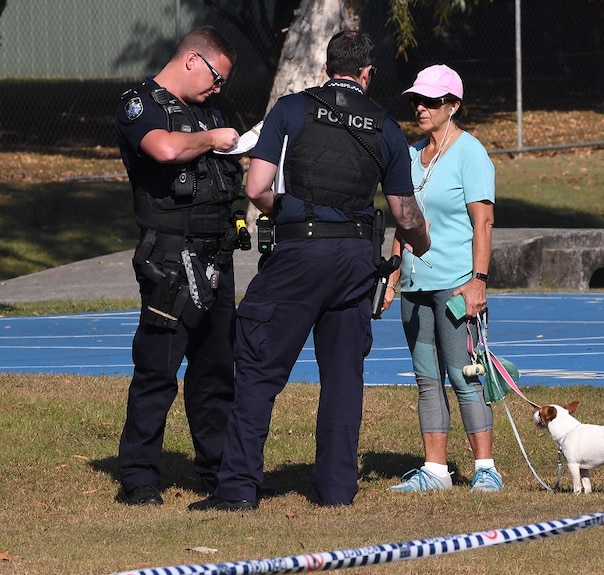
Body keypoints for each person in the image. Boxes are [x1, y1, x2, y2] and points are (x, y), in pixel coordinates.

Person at [188, 30, 431, 511]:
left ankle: (237, 489)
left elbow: (257, 188)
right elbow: (405, 214)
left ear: (327, 67)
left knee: (258, 370)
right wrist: (420, 242)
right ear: (367, 73)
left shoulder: (293, 108)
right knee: (343, 377)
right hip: (357, 261)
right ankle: (338, 490)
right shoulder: (385, 127)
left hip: (299, 255)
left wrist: (291, 209)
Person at [114, 26, 247, 506]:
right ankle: (139, 478)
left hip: (216, 254)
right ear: (192, 59)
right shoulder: (140, 103)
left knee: (216, 370)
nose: (218, 89)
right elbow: (164, 149)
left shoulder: (207, 111)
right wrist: (213, 138)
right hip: (169, 257)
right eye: (215, 77)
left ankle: (218, 473)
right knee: (158, 368)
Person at [382, 64, 501, 493]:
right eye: (417, 99)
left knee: (464, 374)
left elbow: (483, 221)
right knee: (426, 378)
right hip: (415, 285)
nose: (421, 107)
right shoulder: (411, 155)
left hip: (456, 284)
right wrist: (392, 279)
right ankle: (434, 471)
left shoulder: (471, 152)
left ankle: (485, 468)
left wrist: (478, 281)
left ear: (454, 106)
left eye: (432, 101)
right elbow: (404, 221)